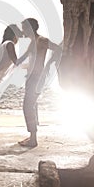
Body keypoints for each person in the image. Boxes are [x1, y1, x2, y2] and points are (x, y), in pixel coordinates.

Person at [19, 18, 61, 148]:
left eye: (24, 28)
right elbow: (23, 60)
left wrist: (48, 64)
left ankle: (33, 139)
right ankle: (32, 136)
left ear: (30, 28)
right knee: (32, 105)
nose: (22, 30)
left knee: (27, 106)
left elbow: (58, 49)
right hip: (31, 78)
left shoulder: (41, 40)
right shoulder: (32, 43)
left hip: (36, 78)